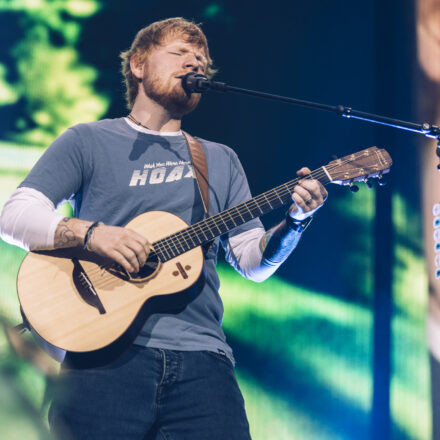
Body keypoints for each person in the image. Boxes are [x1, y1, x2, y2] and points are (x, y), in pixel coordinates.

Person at [0, 17, 327, 440]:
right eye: (180, 53)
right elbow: (15, 214)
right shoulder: (87, 141)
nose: (196, 63)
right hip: (101, 356)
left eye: (203, 60)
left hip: (203, 364)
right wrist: (94, 234)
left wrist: (296, 222)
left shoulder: (219, 159)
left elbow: (252, 261)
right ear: (138, 65)